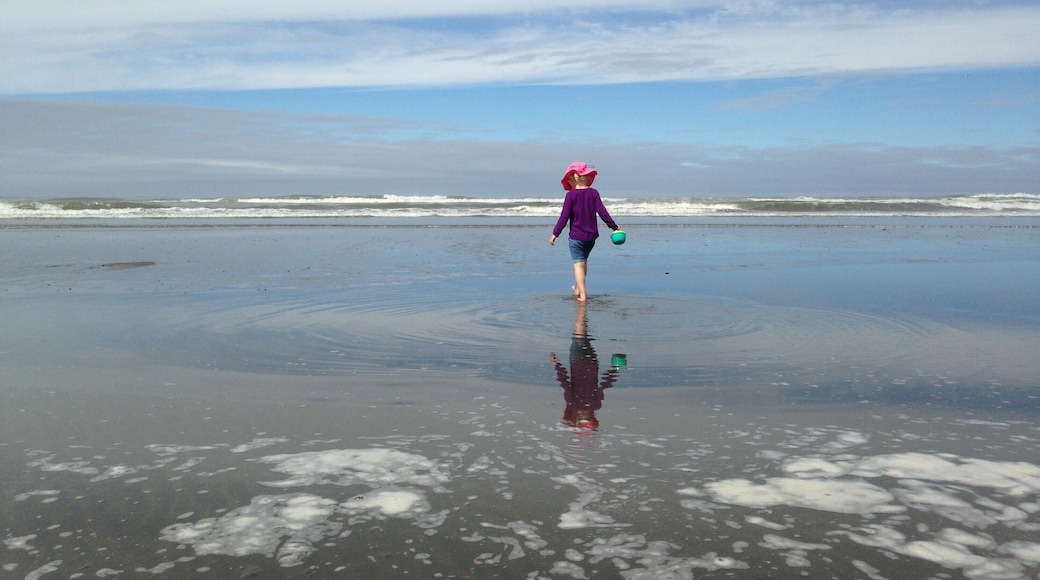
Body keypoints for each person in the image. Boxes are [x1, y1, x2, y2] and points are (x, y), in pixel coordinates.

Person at [549, 162, 621, 302]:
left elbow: (564, 217)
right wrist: (613, 226)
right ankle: (578, 288)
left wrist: (555, 234)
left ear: (573, 178)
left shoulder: (571, 196)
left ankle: (583, 295)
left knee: (578, 265)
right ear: (586, 177)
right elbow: (603, 212)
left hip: (576, 237)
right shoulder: (594, 193)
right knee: (583, 262)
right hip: (591, 237)